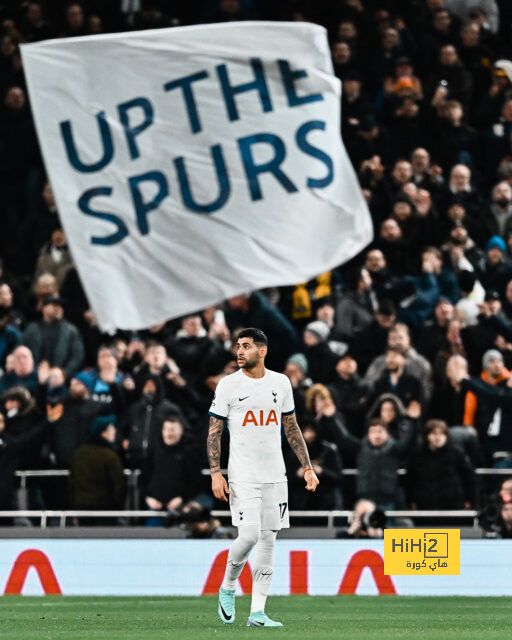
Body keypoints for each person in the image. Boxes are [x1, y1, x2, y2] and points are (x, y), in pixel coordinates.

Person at [207, 328, 318, 627]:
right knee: (250, 535)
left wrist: (307, 467)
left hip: (275, 476)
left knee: (269, 539)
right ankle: (228, 585)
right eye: (237, 346)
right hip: (242, 475)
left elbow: (292, 428)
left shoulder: (280, 383)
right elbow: (214, 432)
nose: (239, 351)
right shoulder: (228, 385)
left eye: (246, 346)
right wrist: (216, 473)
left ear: (262, 350)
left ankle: (257, 612)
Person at [68, 414, 126, 522]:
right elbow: (119, 486)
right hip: (106, 511)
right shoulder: (110, 455)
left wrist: (74, 508)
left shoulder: (79, 453)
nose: (114, 430)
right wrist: (117, 509)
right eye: (111, 428)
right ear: (103, 433)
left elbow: (72, 484)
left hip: (82, 508)